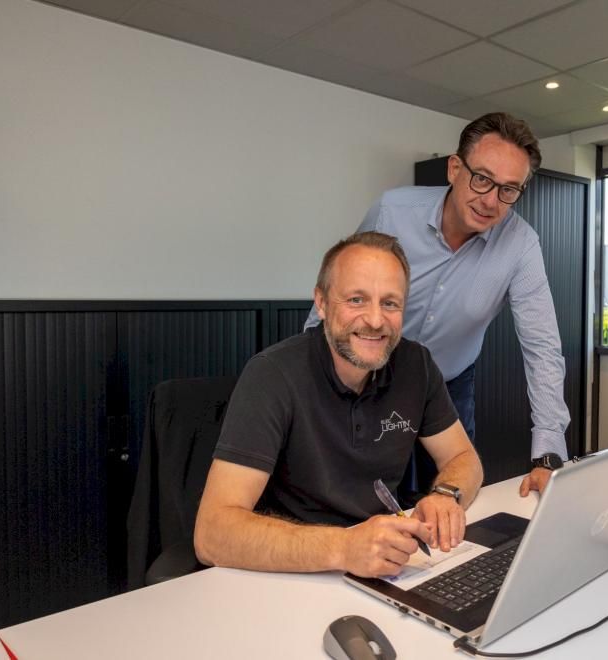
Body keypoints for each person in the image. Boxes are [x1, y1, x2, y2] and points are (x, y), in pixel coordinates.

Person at [305, 112, 569, 497]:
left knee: (452, 494)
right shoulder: (393, 211)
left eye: (509, 190)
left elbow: (542, 348)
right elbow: (339, 287)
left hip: (449, 383)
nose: (491, 201)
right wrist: (311, 374)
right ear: (454, 168)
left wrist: (547, 454)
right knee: (360, 496)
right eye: (482, 179)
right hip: (369, 375)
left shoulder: (521, 244)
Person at [194, 231, 483, 578]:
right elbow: (212, 534)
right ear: (321, 302)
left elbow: (463, 457)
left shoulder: (416, 364)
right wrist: (344, 548)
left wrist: (446, 495)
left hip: (383, 563)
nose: (375, 320)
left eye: (390, 303)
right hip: (290, 571)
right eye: (357, 300)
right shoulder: (272, 374)